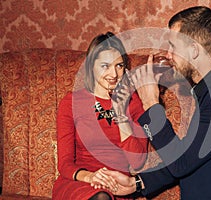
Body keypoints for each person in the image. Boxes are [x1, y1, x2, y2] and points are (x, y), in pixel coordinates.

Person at [98, 6, 211, 200]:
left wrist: (151, 104)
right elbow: (189, 156)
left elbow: (180, 163)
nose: (169, 55)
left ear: (194, 50)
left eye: (173, 46)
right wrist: (136, 183)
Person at [52, 32, 148, 200]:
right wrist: (91, 177)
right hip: (79, 183)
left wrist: (120, 111)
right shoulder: (71, 102)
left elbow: (137, 162)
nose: (113, 74)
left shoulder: (133, 102)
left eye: (119, 66)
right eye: (105, 66)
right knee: (100, 197)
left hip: (117, 185)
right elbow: (64, 164)